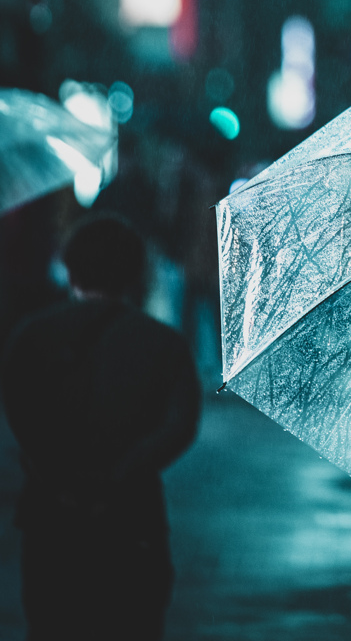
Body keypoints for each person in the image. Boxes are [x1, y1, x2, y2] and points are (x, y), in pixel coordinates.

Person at [0, 214, 201, 641]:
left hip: (50, 518)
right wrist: (121, 473)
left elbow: (20, 414)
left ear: (71, 269)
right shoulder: (164, 345)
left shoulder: (32, 336)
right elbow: (180, 425)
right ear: (135, 275)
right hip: (132, 519)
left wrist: (58, 474)